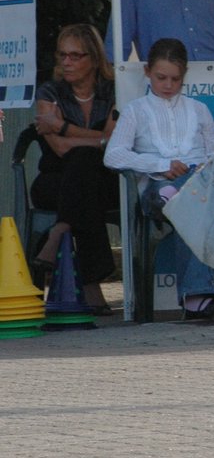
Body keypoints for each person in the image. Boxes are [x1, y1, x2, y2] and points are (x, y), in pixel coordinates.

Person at [104, 38, 214, 320]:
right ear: (147, 72)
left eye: (175, 79)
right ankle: (197, 296)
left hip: (196, 184)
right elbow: (113, 155)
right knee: (188, 202)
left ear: (184, 78)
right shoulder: (136, 111)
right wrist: (159, 164)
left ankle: (196, 297)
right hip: (156, 189)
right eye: (161, 77)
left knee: (190, 202)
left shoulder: (198, 110)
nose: (168, 85)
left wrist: (202, 169)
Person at [31, 23, 118, 314]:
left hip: (103, 182)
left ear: (93, 58)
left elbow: (115, 144)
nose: (66, 62)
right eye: (62, 55)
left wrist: (62, 126)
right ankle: (92, 282)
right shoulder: (49, 92)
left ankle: (60, 231)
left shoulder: (112, 91)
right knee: (82, 164)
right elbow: (61, 149)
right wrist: (97, 140)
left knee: (85, 172)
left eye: (75, 56)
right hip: (54, 181)